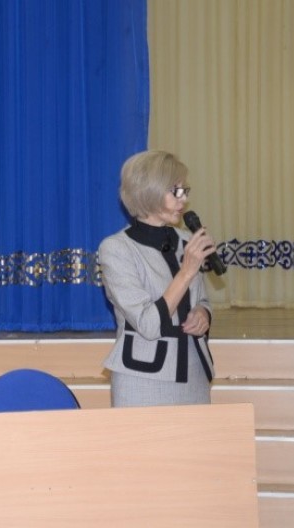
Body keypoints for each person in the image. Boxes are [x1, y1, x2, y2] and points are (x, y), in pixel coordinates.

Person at [98, 150, 217, 407]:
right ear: (148, 192)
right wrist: (186, 272)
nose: (184, 199)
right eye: (176, 191)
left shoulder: (186, 241)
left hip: (194, 374)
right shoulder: (117, 249)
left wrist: (203, 314)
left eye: (185, 190)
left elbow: (201, 299)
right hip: (143, 379)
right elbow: (148, 324)